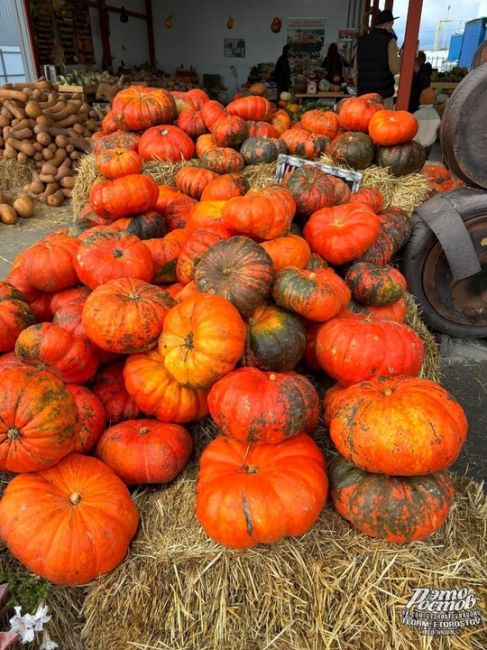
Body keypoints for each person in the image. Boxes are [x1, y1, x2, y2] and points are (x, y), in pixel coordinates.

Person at [353, 9, 401, 107]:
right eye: (392, 24)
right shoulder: (390, 41)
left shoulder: (362, 42)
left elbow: (354, 72)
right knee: (382, 122)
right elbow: (395, 69)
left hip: (363, 98)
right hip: (383, 98)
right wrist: (402, 55)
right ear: (387, 23)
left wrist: (361, 89)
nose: (391, 27)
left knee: (364, 122)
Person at [413, 87, 441, 159]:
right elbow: (438, 126)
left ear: (420, 99)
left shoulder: (417, 114)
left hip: (416, 143)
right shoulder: (435, 114)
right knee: (426, 157)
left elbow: (411, 125)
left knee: (417, 157)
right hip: (429, 143)